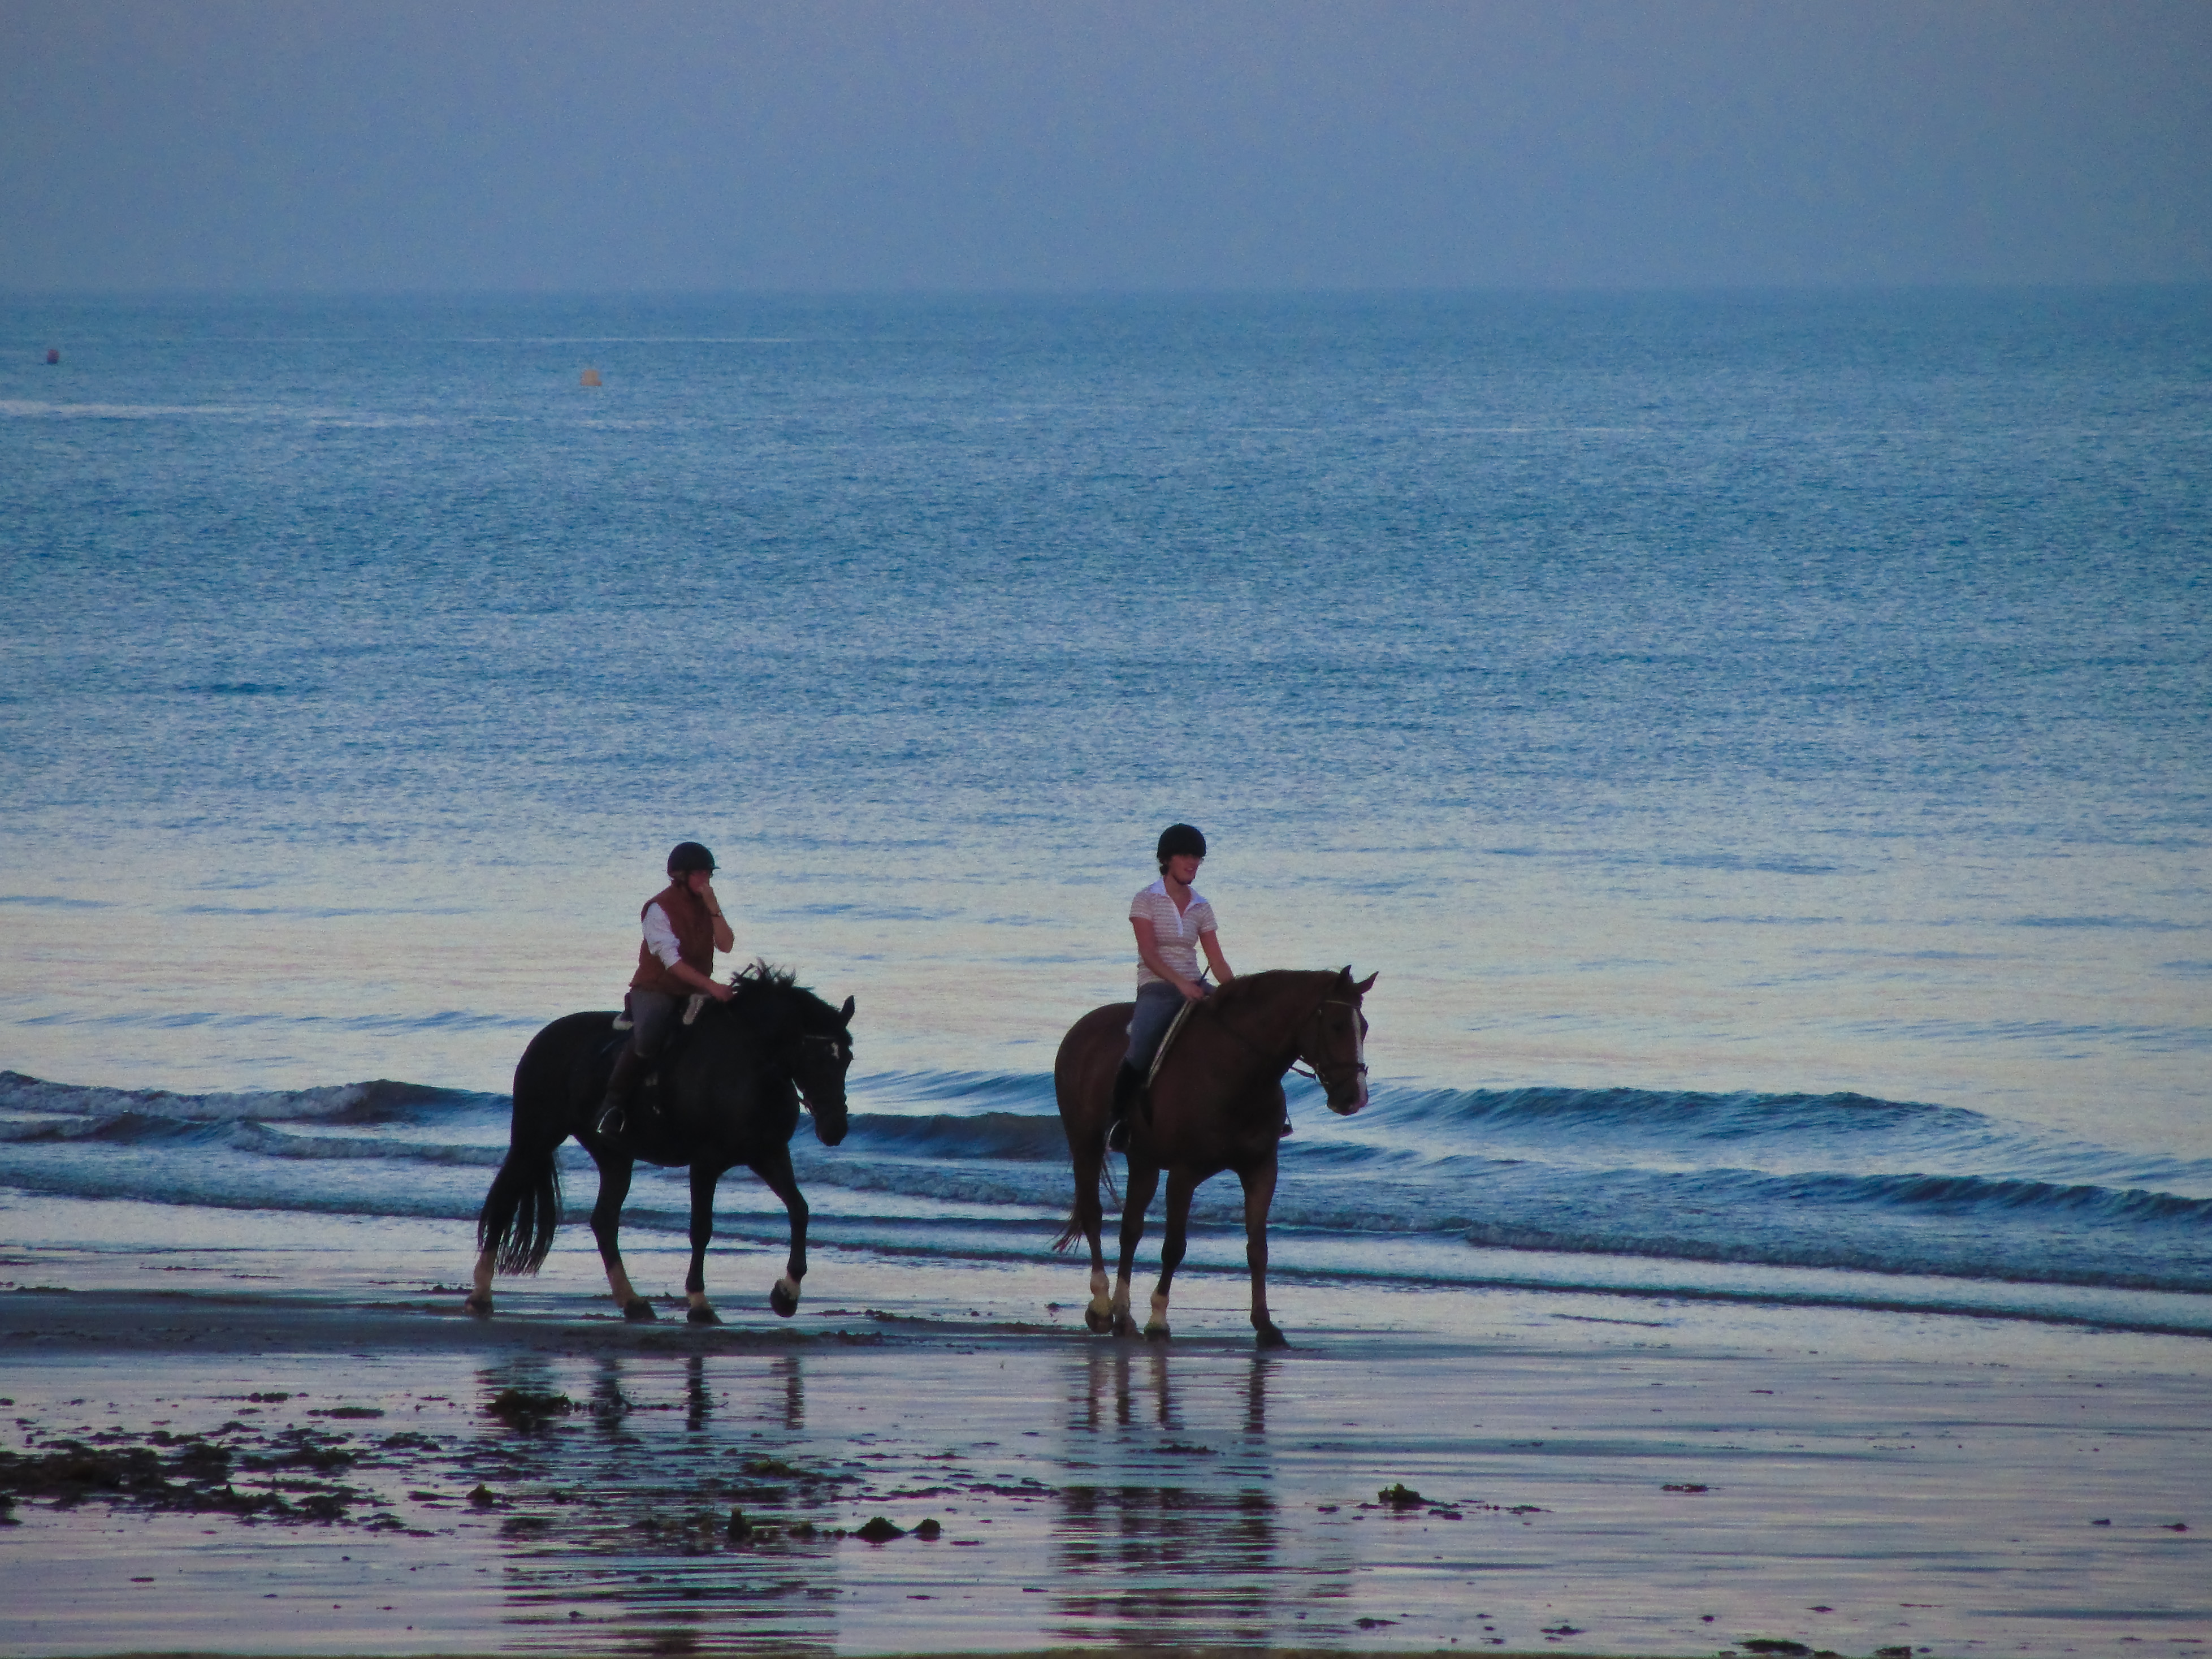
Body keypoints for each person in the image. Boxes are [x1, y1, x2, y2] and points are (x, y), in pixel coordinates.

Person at [594, 841, 737, 1138]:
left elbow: (726, 945)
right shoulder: (658, 908)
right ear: (680, 876)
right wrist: (713, 986)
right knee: (649, 1036)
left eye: (708, 874)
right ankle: (612, 1104)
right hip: (658, 988)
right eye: (699, 874)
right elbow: (672, 963)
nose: (706, 880)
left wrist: (715, 910)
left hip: (695, 988)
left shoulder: (706, 907)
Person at [1107, 823, 1235, 1151]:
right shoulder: (1146, 900)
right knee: (1140, 1048)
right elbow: (1149, 953)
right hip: (1158, 987)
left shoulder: (1201, 906)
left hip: (1195, 983)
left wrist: (1236, 993)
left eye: (1198, 858)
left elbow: (1217, 961)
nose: (1193, 863)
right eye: (1186, 856)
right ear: (1167, 859)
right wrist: (1180, 984)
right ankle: (1119, 1121)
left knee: (1245, 1032)